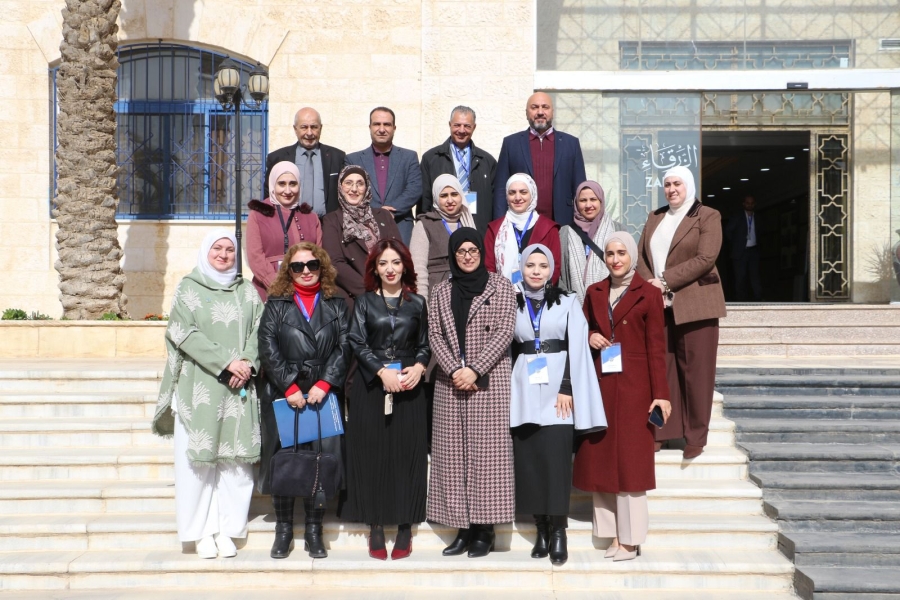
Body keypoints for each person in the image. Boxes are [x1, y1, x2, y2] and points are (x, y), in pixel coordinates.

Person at [152, 230, 263, 560]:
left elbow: (260, 331)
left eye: (230, 249)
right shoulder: (189, 288)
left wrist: (247, 363)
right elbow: (182, 332)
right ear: (206, 251)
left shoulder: (247, 291)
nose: (224, 255)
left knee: (236, 464)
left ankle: (228, 530)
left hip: (239, 387)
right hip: (200, 386)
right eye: (218, 248)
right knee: (197, 468)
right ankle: (200, 532)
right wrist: (227, 362)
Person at [574, 231, 672, 562]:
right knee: (601, 460)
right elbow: (582, 328)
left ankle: (630, 539)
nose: (615, 259)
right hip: (601, 385)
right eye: (610, 253)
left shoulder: (649, 293)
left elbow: (657, 347)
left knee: (631, 464)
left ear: (632, 256)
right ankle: (612, 535)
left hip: (636, 389)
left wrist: (661, 394)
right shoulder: (594, 291)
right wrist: (591, 336)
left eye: (621, 253)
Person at [509, 244, 606, 566]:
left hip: (558, 393)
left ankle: (559, 530)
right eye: (530, 265)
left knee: (556, 463)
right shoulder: (511, 301)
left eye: (543, 265)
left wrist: (567, 388)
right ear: (522, 268)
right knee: (530, 463)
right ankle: (541, 529)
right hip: (523, 389)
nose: (536, 271)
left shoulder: (567, 301)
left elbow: (576, 346)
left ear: (551, 270)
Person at [257, 242, 351, 560]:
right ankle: (283, 529)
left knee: (319, 462)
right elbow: (267, 346)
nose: (306, 271)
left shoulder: (336, 303)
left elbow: (345, 346)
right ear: (289, 270)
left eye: (312, 265)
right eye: (298, 266)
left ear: (322, 267)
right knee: (285, 460)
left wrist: (325, 383)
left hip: (322, 395)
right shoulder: (276, 304)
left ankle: (314, 530)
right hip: (286, 395)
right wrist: (289, 385)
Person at [427, 228, 517, 559]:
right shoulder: (441, 290)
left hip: (489, 382)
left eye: (473, 250)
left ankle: (484, 529)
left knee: (487, 457)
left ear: (482, 252)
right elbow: (434, 334)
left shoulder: (501, 286)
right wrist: (455, 369)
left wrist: (475, 369)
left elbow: (505, 331)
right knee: (452, 458)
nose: (467, 256)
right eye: (461, 251)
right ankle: (461, 528)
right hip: (450, 383)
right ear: (453, 255)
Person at [342, 239, 431, 561]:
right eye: (383, 264)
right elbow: (356, 340)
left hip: (409, 385)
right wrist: (381, 372)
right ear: (375, 269)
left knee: (408, 454)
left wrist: (419, 367)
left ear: (405, 266)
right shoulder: (365, 302)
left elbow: (425, 344)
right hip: (372, 385)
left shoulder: (417, 302)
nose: (390, 269)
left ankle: (406, 525)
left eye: (395, 262)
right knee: (373, 454)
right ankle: (376, 524)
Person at [635, 166, 726, 459]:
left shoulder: (707, 215)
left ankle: (696, 436)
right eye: (667, 184)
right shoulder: (655, 216)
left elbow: (706, 258)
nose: (672, 189)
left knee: (697, 373)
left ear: (688, 185)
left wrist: (664, 281)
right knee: (661, 370)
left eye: (677, 184)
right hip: (659, 304)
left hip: (696, 304)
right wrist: (651, 286)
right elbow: (640, 256)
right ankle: (663, 431)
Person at [493, 92, 586, 225]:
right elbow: (501, 190)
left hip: (562, 223)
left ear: (552, 112)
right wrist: (499, 225)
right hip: (521, 224)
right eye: (535, 107)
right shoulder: (511, 144)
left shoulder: (571, 144)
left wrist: (581, 226)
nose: (540, 112)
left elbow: (580, 189)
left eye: (545, 107)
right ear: (526, 113)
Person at [321, 165, 402, 310]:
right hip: (356, 298)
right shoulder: (331, 220)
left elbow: (399, 253)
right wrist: (371, 291)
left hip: (391, 291)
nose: (354, 189)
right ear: (340, 187)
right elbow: (335, 263)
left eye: (360, 183)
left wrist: (389, 287)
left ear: (367, 188)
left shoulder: (383, 216)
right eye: (348, 183)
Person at [247, 161, 323, 301]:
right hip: (268, 290)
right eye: (281, 184)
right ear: (273, 185)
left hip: (305, 292)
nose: (287, 191)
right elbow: (255, 257)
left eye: (292, 184)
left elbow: (318, 256)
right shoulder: (258, 215)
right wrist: (278, 285)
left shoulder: (311, 217)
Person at [347, 107, 423, 244]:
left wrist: (389, 212)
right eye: (377, 124)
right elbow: (350, 192)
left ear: (394, 128)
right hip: (365, 225)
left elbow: (414, 189)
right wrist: (376, 213)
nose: (382, 129)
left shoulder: (409, 157)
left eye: (387, 124)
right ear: (370, 127)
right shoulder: (353, 159)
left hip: (400, 224)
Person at [419, 106, 496, 233]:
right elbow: (424, 200)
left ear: (474, 127)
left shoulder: (487, 161)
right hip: (442, 229)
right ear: (450, 125)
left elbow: (495, 201)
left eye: (467, 126)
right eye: (457, 125)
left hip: (478, 227)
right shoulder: (431, 158)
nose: (461, 130)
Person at [265, 107, 347, 217]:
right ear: (295, 129)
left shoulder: (337, 157)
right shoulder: (277, 158)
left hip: (328, 223)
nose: (309, 133)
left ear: (321, 128)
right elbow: (269, 195)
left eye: (314, 127)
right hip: (290, 222)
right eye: (304, 127)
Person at [409, 174, 476, 301]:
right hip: (436, 294)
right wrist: (423, 303)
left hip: (467, 292)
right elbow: (418, 269)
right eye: (444, 196)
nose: (450, 200)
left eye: (454, 194)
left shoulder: (468, 222)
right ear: (436, 198)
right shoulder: (424, 225)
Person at [485, 173, 561, 285]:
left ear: (532, 194)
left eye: (523, 192)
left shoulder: (549, 228)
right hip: (502, 293)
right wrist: (501, 292)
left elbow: (555, 267)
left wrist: (541, 292)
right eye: (512, 193)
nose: (517, 198)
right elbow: (489, 268)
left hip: (540, 293)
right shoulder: (494, 229)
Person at [559, 180, 624, 304]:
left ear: (601, 201)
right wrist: (568, 301)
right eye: (583, 200)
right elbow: (558, 273)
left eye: (593, 199)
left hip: (612, 304)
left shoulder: (618, 230)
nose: (588, 205)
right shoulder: (564, 233)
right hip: (573, 305)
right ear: (576, 203)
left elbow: (628, 267)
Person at [725, 195, 763, 301]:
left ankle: (758, 299)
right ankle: (740, 300)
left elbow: (761, 233)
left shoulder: (757, 217)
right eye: (747, 203)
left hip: (753, 250)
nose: (749, 205)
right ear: (744, 204)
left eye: (751, 203)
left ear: (754, 204)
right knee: (740, 277)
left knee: (755, 276)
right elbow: (728, 231)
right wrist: (736, 244)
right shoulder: (737, 217)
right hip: (740, 252)